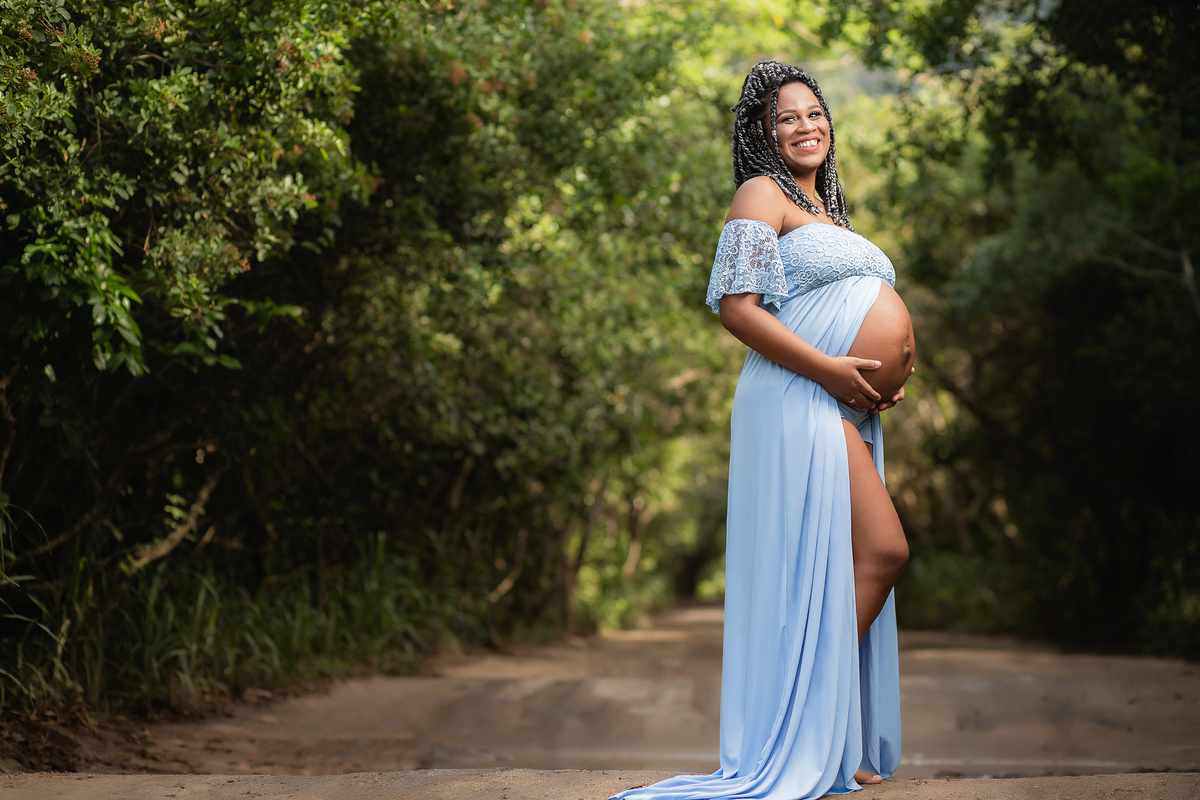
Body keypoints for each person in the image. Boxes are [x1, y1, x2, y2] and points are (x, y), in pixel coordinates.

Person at [613, 61, 914, 800]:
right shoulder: (760, 194)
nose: (805, 126)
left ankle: (819, 731)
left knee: (867, 557)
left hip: (834, 400)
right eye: (787, 118)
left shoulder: (830, 212)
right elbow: (737, 308)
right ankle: (799, 733)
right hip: (796, 397)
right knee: (882, 550)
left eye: (815, 114)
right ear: (763, 133)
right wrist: (833, 372)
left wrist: (875, 379)